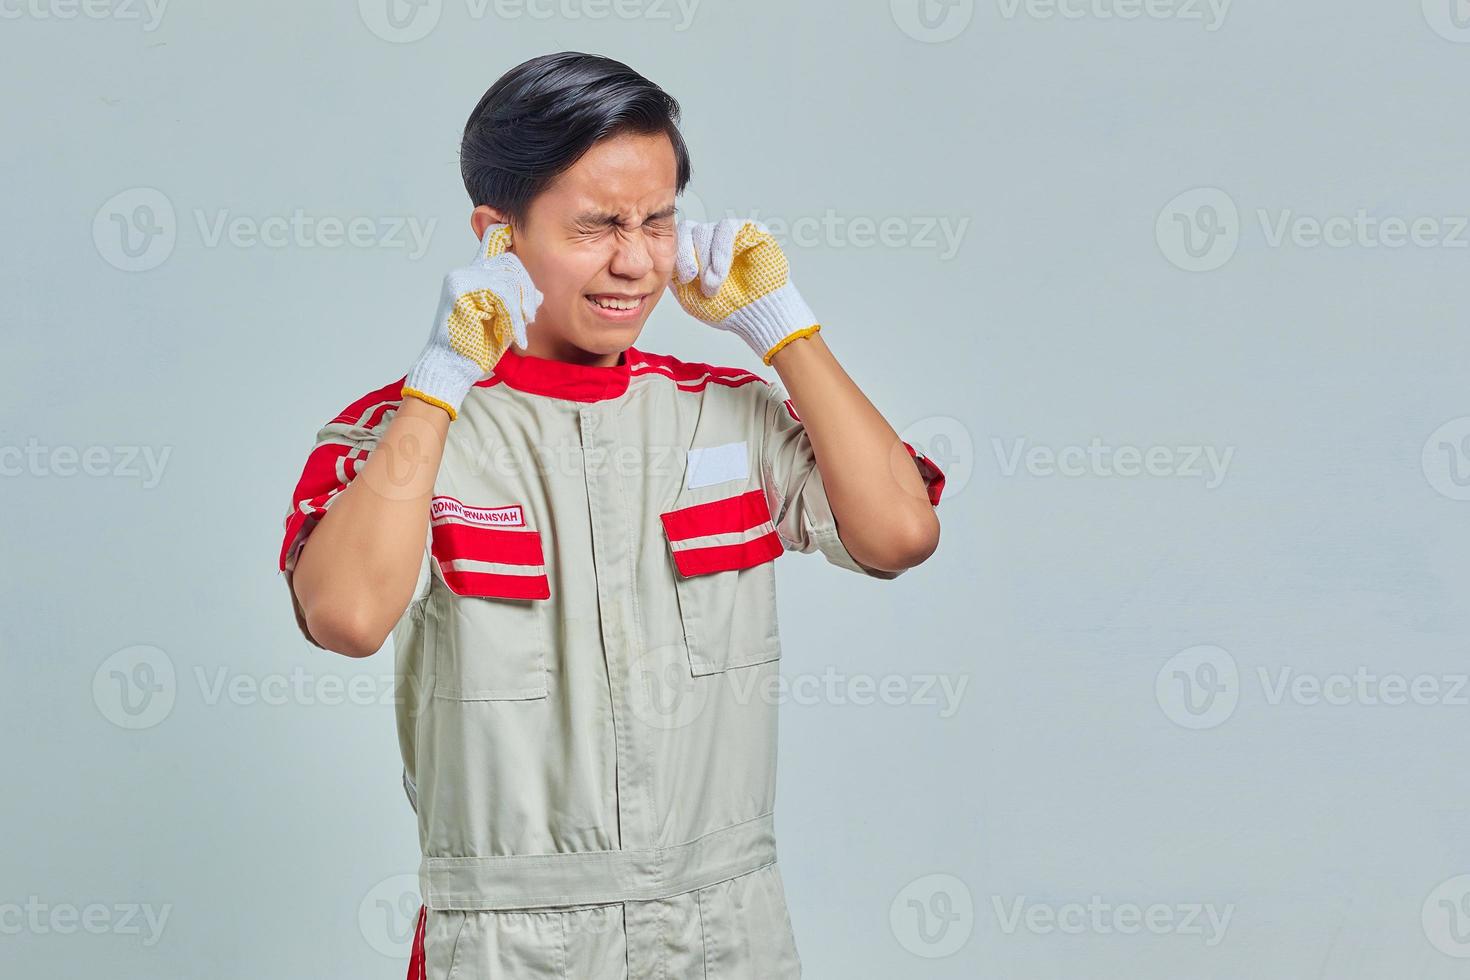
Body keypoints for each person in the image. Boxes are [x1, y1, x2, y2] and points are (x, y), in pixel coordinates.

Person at [276, 51, 945, 979]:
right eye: (596, 226)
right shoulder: (404, 434)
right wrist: (439, 386)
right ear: (497, 237)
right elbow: (345, 618)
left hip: (726, 927)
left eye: (658, 220)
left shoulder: (727, 412)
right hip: (513, 937)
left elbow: (900, 533)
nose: (635, 261)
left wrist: (785, 327)